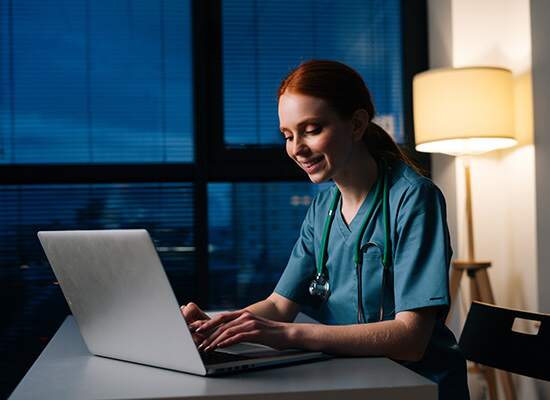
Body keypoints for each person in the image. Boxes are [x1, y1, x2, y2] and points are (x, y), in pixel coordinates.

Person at [181, 60, 469, 399]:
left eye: (312, 129)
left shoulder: (414, 198)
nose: (296, 148)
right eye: (288, 136)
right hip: (353, 376)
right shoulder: (323, 208)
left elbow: (411, 340)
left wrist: (288, 335)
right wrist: (218, 327)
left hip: (416, 384)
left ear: (357, 124)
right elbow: (278, 306)